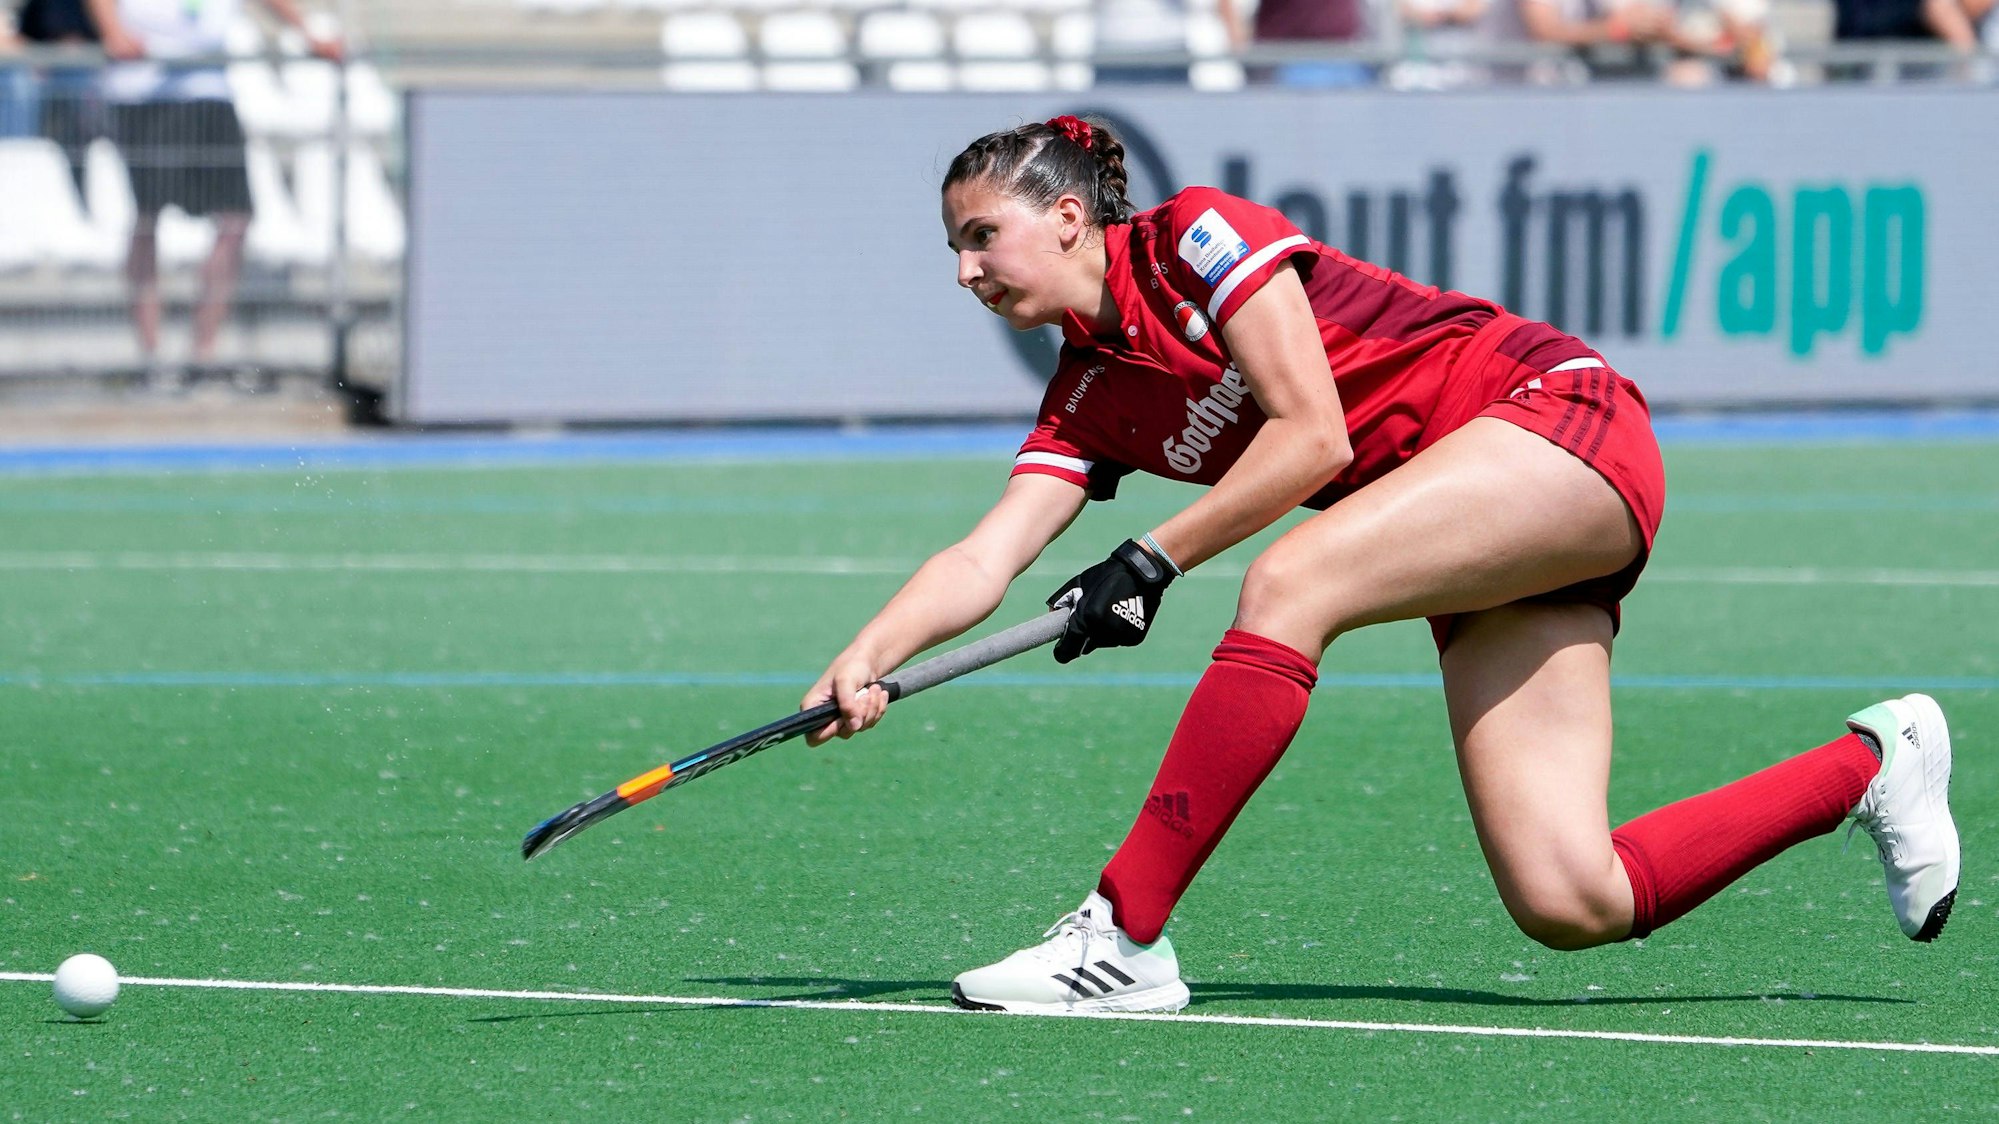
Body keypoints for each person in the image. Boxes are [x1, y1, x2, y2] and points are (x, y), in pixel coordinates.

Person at [803, 115, 1962, 1015]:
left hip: (1551, 420)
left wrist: (1150, 555)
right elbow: (985, 551)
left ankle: (1123, 934)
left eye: (978, 236)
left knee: (1292, 582)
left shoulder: (1198, 238)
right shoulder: (1087, 395)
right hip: (1474, 529)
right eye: (953, 247)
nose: (964, 270)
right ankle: (1870, 763)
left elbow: (1315, 436)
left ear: (1064, 216)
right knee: (1571, 896)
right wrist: (867, 658)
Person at [82, 0, 340, 378]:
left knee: (236, 218)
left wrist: (307, 33)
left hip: (210, 93)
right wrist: (113, 33)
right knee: (147, 217)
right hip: (143, 94)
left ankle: (202, 354)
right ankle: (150, 356)